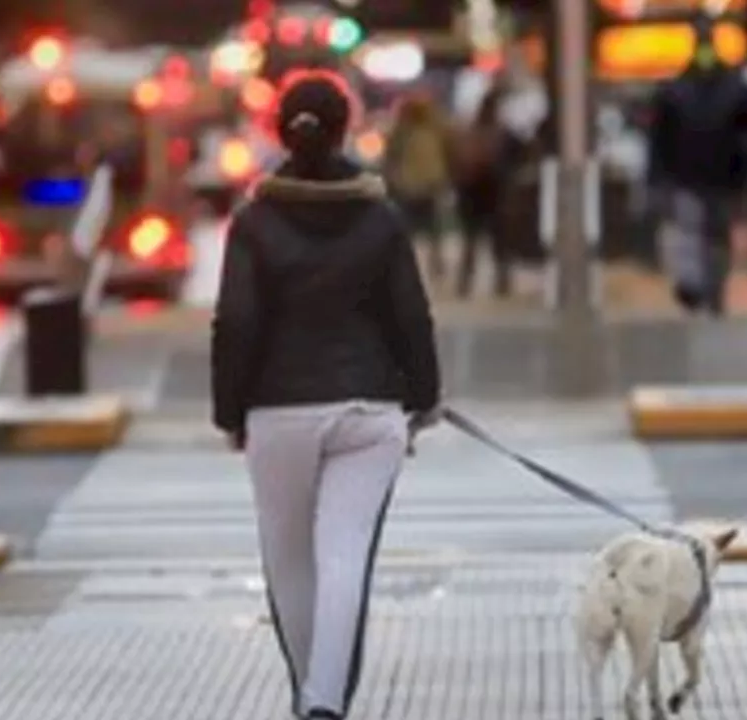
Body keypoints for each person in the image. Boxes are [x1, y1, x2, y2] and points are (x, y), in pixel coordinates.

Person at [210, 68, 442, 720]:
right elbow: (411, 315)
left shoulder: (254, 222)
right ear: (348, 128)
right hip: (369, 411)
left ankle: (312, 694)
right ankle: (323, 701)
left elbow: (237, 324)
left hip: (277, 411)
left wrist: (230, 413)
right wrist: (424, 398)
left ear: (279, 130)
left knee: (288, 555)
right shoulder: (380, 216)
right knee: (344, 555)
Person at [647, 12, 747, 316]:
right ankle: (699, 286)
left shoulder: (720, 89)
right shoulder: (685, 90)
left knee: (710, 236)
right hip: (700, 177)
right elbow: (660, 138)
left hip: (718, 176)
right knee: (697, 234)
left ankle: (708, 288)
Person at [451, 87, 520, 299]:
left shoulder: (469, 132)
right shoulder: (502, 133)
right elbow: (518, 156)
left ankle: (464, 283)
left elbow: (456, 163)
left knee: (471, 242)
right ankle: (502, 283)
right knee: (498, 242)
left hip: (470, 194)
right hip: (494, 192)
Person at [383, 90, 452, 278]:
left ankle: (419, 267)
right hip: (424, 186)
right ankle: (433, 267)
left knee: (416, 232)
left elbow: (390, 160)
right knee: (430, 232)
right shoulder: (432, 131)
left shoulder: (406, 132)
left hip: (415, 187)